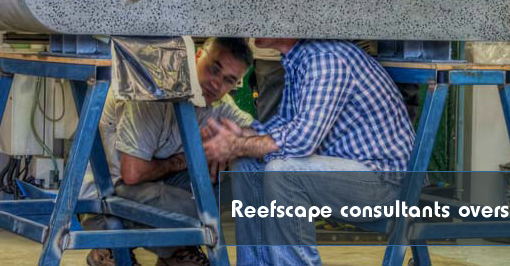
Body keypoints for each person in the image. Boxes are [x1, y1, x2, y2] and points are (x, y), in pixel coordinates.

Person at [202, 38, 415, 266]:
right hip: (348, 176)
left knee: (283, 172)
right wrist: (239, 136)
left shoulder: (326, 58)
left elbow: (302, 140)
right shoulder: (298, 59)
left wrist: (235, 144)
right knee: (247, 164)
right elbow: (286, 124)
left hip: (385, 185)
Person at [86, 37, 254, 266]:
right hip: (109, 192)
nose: (217, 84)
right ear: (197, 57)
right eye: (214, 69)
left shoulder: (218, 104)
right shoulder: (154, 90)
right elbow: (132, 173)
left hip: (157, 189)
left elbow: (255, 132)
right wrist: (186, 159)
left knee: (243, 177)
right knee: (199, 209)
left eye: (228, 80)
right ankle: (113, 241)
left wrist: (232, 145)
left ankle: (174, 248)